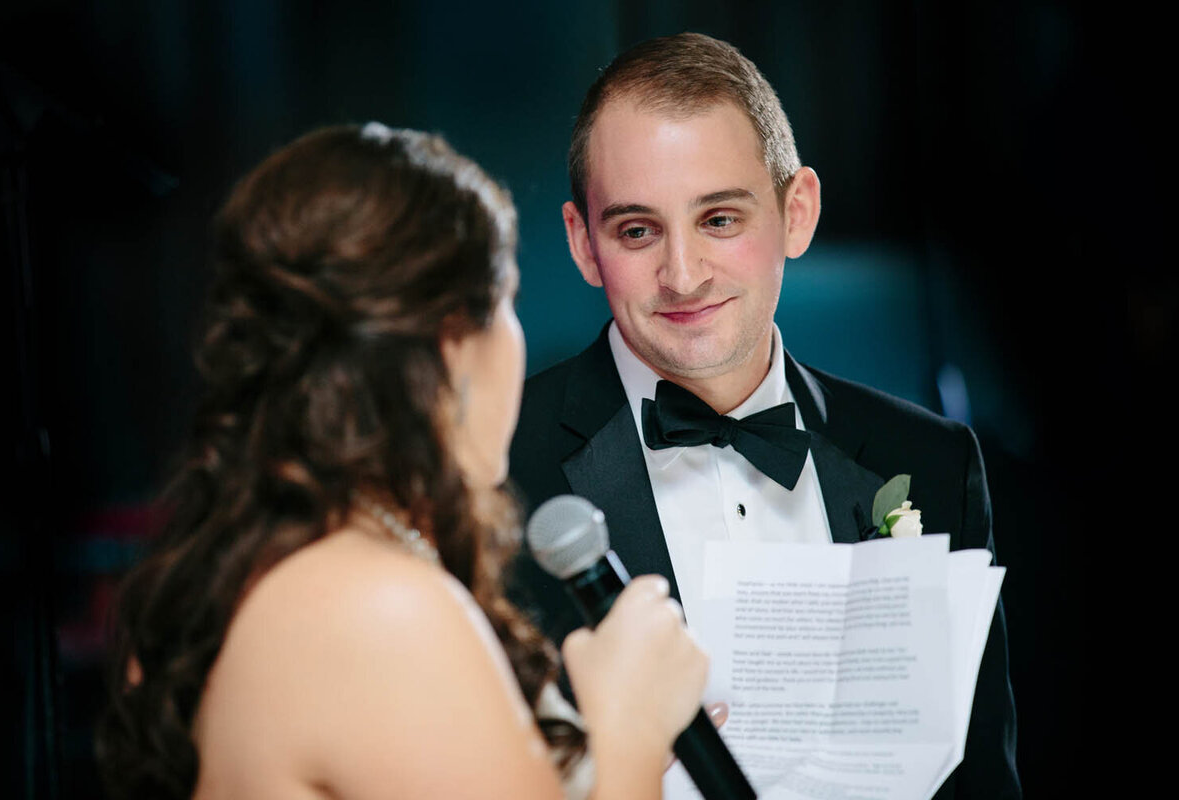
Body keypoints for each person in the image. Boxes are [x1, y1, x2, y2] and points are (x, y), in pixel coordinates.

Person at [95, 123, 711, 800]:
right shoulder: (381, 609)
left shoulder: (281, 567)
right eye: (508, 302)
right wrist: (632, 730)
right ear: (452, 342)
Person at [509, 33, 1021, 799]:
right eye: (638, 231)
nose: (682, 276)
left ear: (797, 212)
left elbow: (978, 783)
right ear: (584, 244)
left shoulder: (931, 460)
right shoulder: (494, 464)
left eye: (719, 220)